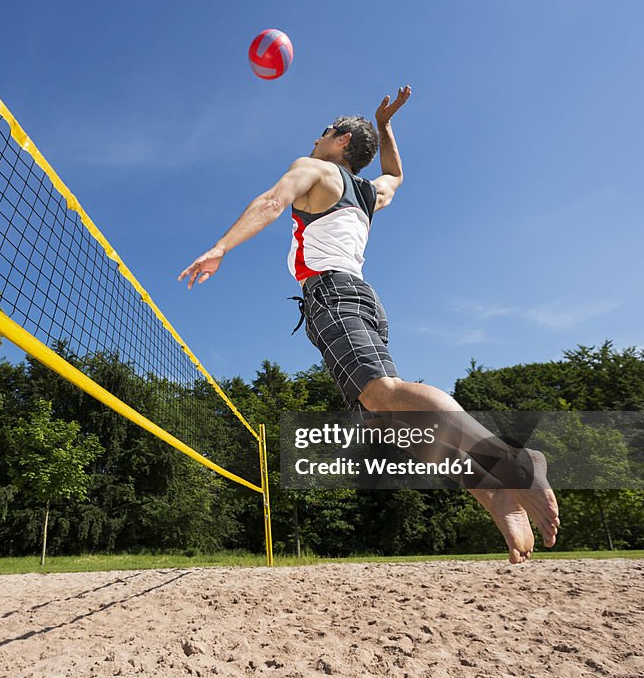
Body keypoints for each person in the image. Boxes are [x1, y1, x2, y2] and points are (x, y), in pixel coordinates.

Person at [178, 87, 559, 563]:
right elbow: (396, 175)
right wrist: (385, 124)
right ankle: (491, 490)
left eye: (322, 133)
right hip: (359, 297)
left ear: (338, 140)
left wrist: (220, 247)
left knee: (385, 392)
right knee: (389, 422)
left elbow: (274, 203)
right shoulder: (368, 192)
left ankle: (510, 461)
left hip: (332, 294)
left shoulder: (313, 168)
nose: (313, 139)